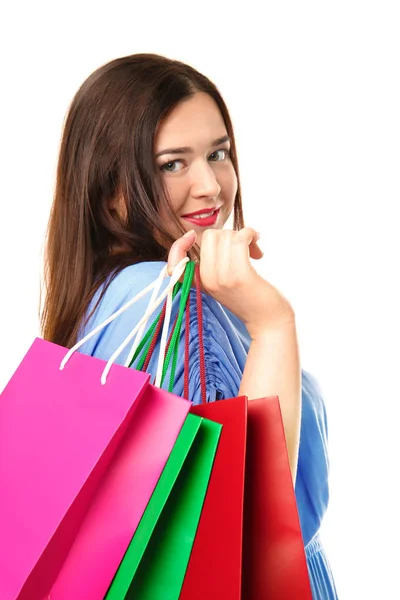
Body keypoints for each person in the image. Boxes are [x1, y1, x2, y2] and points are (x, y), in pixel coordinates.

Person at [41, 53, 338, 599]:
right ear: (111, 188)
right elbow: (241, 526)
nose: (210, 185)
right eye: (172, 163)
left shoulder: (120, 293)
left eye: (218, 153)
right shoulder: (160, 298)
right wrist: (273, 323)